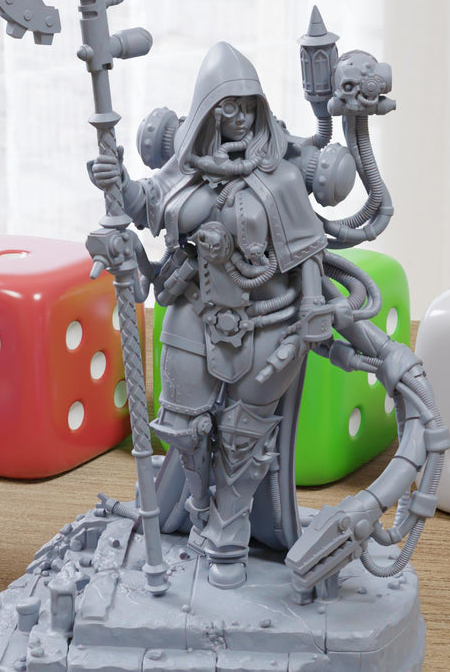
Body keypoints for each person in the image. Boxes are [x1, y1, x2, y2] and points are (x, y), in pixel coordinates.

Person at [91, 42, 330, 589]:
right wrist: (115, 177)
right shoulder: (186, 171)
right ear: (207, 113)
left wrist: (312, 309)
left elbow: (308, 252)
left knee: (244, 436)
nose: (239, 117)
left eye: (247, 107)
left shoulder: (282, 179)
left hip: (266, 322)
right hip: (192, 313)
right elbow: (144, 203)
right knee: (185, 428)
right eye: (227, 108)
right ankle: (198, 507)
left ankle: (229, 532)